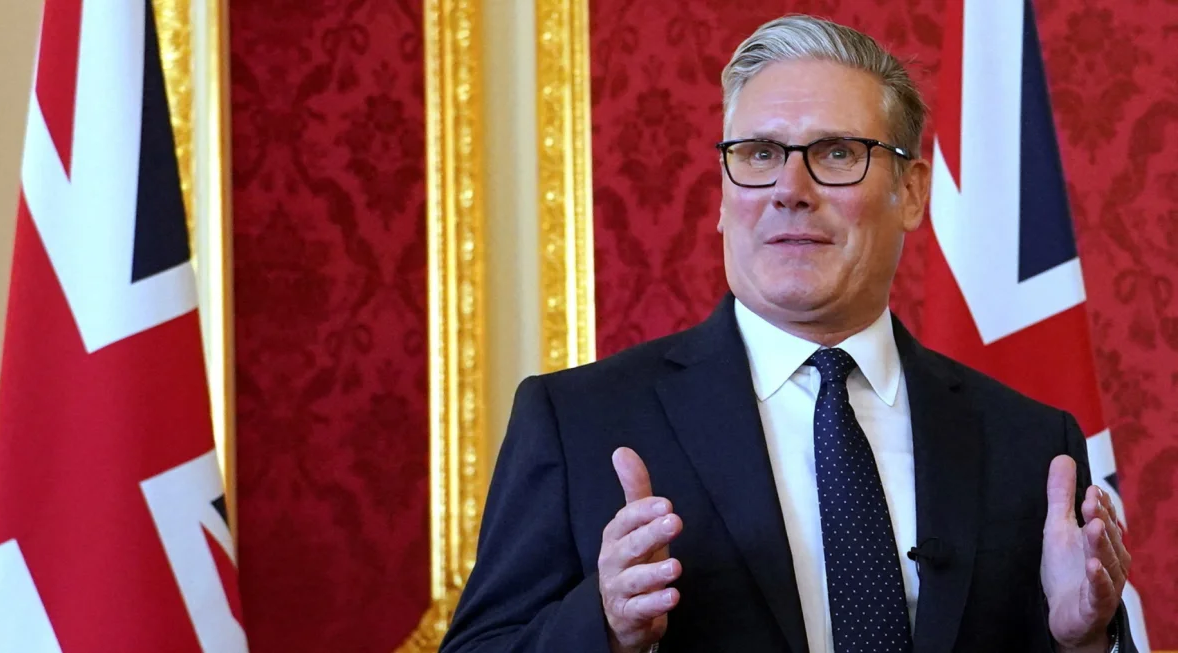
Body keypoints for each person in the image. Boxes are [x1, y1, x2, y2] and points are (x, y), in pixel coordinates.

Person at [440, 14, 1135, 653]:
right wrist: (605, 623)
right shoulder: (577, 423)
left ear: (913, 192)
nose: (788, 187)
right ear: (721, 192)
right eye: (759, 152)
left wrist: (1082, 642)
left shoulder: (1031, 444)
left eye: (836, 153)